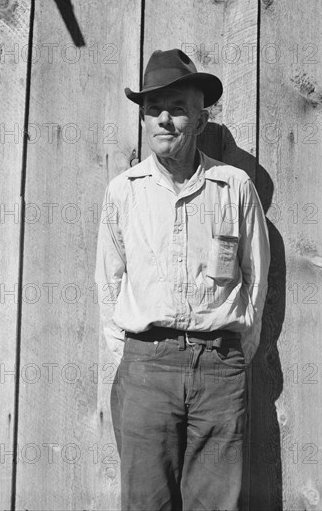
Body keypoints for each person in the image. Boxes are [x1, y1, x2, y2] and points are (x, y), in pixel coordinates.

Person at [95, 48, 270, 511]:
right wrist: (134, 352)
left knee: (216, 505)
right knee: (145, 502)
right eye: (153, 110)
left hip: (219, 369)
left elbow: (255, 279)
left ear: (201, 117)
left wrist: (232, 353)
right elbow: (108, 281)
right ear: (143, 120)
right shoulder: (124, 191)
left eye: (177, 109)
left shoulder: (234, 187)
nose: (164, 121)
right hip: (147, 369)